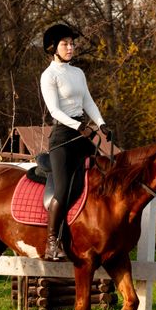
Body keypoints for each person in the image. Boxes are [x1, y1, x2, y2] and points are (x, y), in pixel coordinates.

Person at [40, 23, 112, 261]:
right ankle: (52, 242)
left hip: (83, 136)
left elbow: (88, 101)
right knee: (62, 189)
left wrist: (100, 124)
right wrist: (79, 126)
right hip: (62, 138)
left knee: (102, 176)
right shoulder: (49, 75)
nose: (70, 48)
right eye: (65, 44)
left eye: (72, 43)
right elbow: (55, 111)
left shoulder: (78, 73)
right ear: (53, 48)